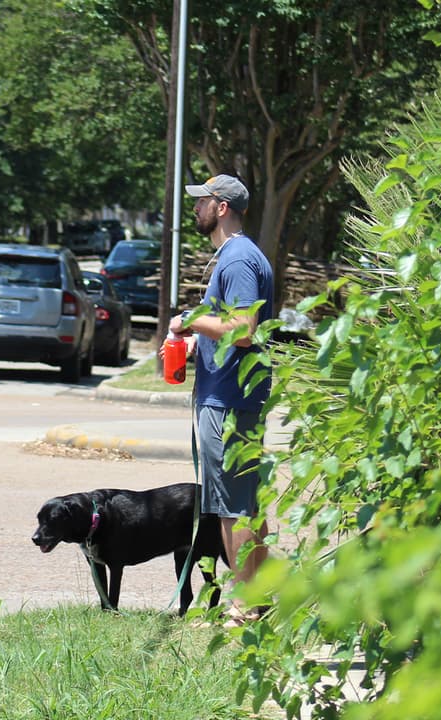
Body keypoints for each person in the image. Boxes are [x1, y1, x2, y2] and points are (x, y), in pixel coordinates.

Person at [162, 173, 274, 625]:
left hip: (228, 401)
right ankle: (261, 598)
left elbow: (244, 330)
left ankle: (247, 606)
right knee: (245, 502)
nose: (195, 209)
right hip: (231, 394)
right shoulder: (236, 256)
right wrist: (197, 343)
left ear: (222, 207)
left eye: (201, 202)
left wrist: (189, 319)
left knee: (233, 507)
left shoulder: (238, 260)